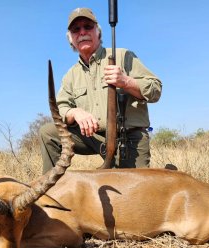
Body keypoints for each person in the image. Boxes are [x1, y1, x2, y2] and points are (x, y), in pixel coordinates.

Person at [39, 7, 162, 174]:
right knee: (48, 133)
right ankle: (51, 192)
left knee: (135, 193)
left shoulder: (123, 56)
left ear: (98, 32)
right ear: (70, 39)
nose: (82, 32)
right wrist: (74, 112)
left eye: (88, 26)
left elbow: (156, 89)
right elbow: (60, 108)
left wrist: (126, 81)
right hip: (94, 138)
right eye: (76, 29)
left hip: (130, 139)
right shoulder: (70, 75)